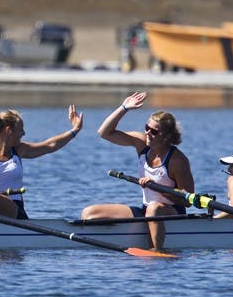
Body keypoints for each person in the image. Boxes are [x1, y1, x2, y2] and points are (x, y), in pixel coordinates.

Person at [80, 91, 194, 250]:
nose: (148, 132)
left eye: (154, 131)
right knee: (89, 213)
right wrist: (123, 108)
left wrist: (159, 188)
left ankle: (156, 250)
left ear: (167, 137)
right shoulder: (142, 143)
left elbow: (188, 200)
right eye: (147, 128)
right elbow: (104, 133)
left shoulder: (177, 161)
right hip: (146, 210)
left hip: (172, 213)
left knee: (154, 207)